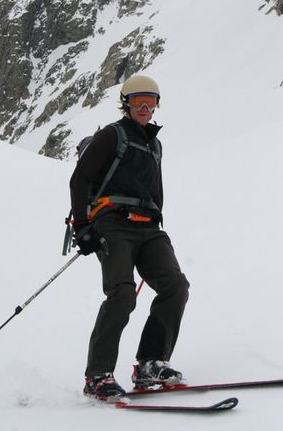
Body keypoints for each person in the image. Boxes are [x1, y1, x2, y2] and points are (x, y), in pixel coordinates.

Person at [70, 74, 189, 400]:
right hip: (113, 224)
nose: (145, 107)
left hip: (149, 228)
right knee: (122, 294)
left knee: (176, 286)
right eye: (138, 101)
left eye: (151, 101)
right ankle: (97, 376)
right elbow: (80, 179)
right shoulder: (112, 135)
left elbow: (156, 190)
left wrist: (156, 221)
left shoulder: (155, 143)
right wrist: (82, 224)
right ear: (126, 103)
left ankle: (151, 363)